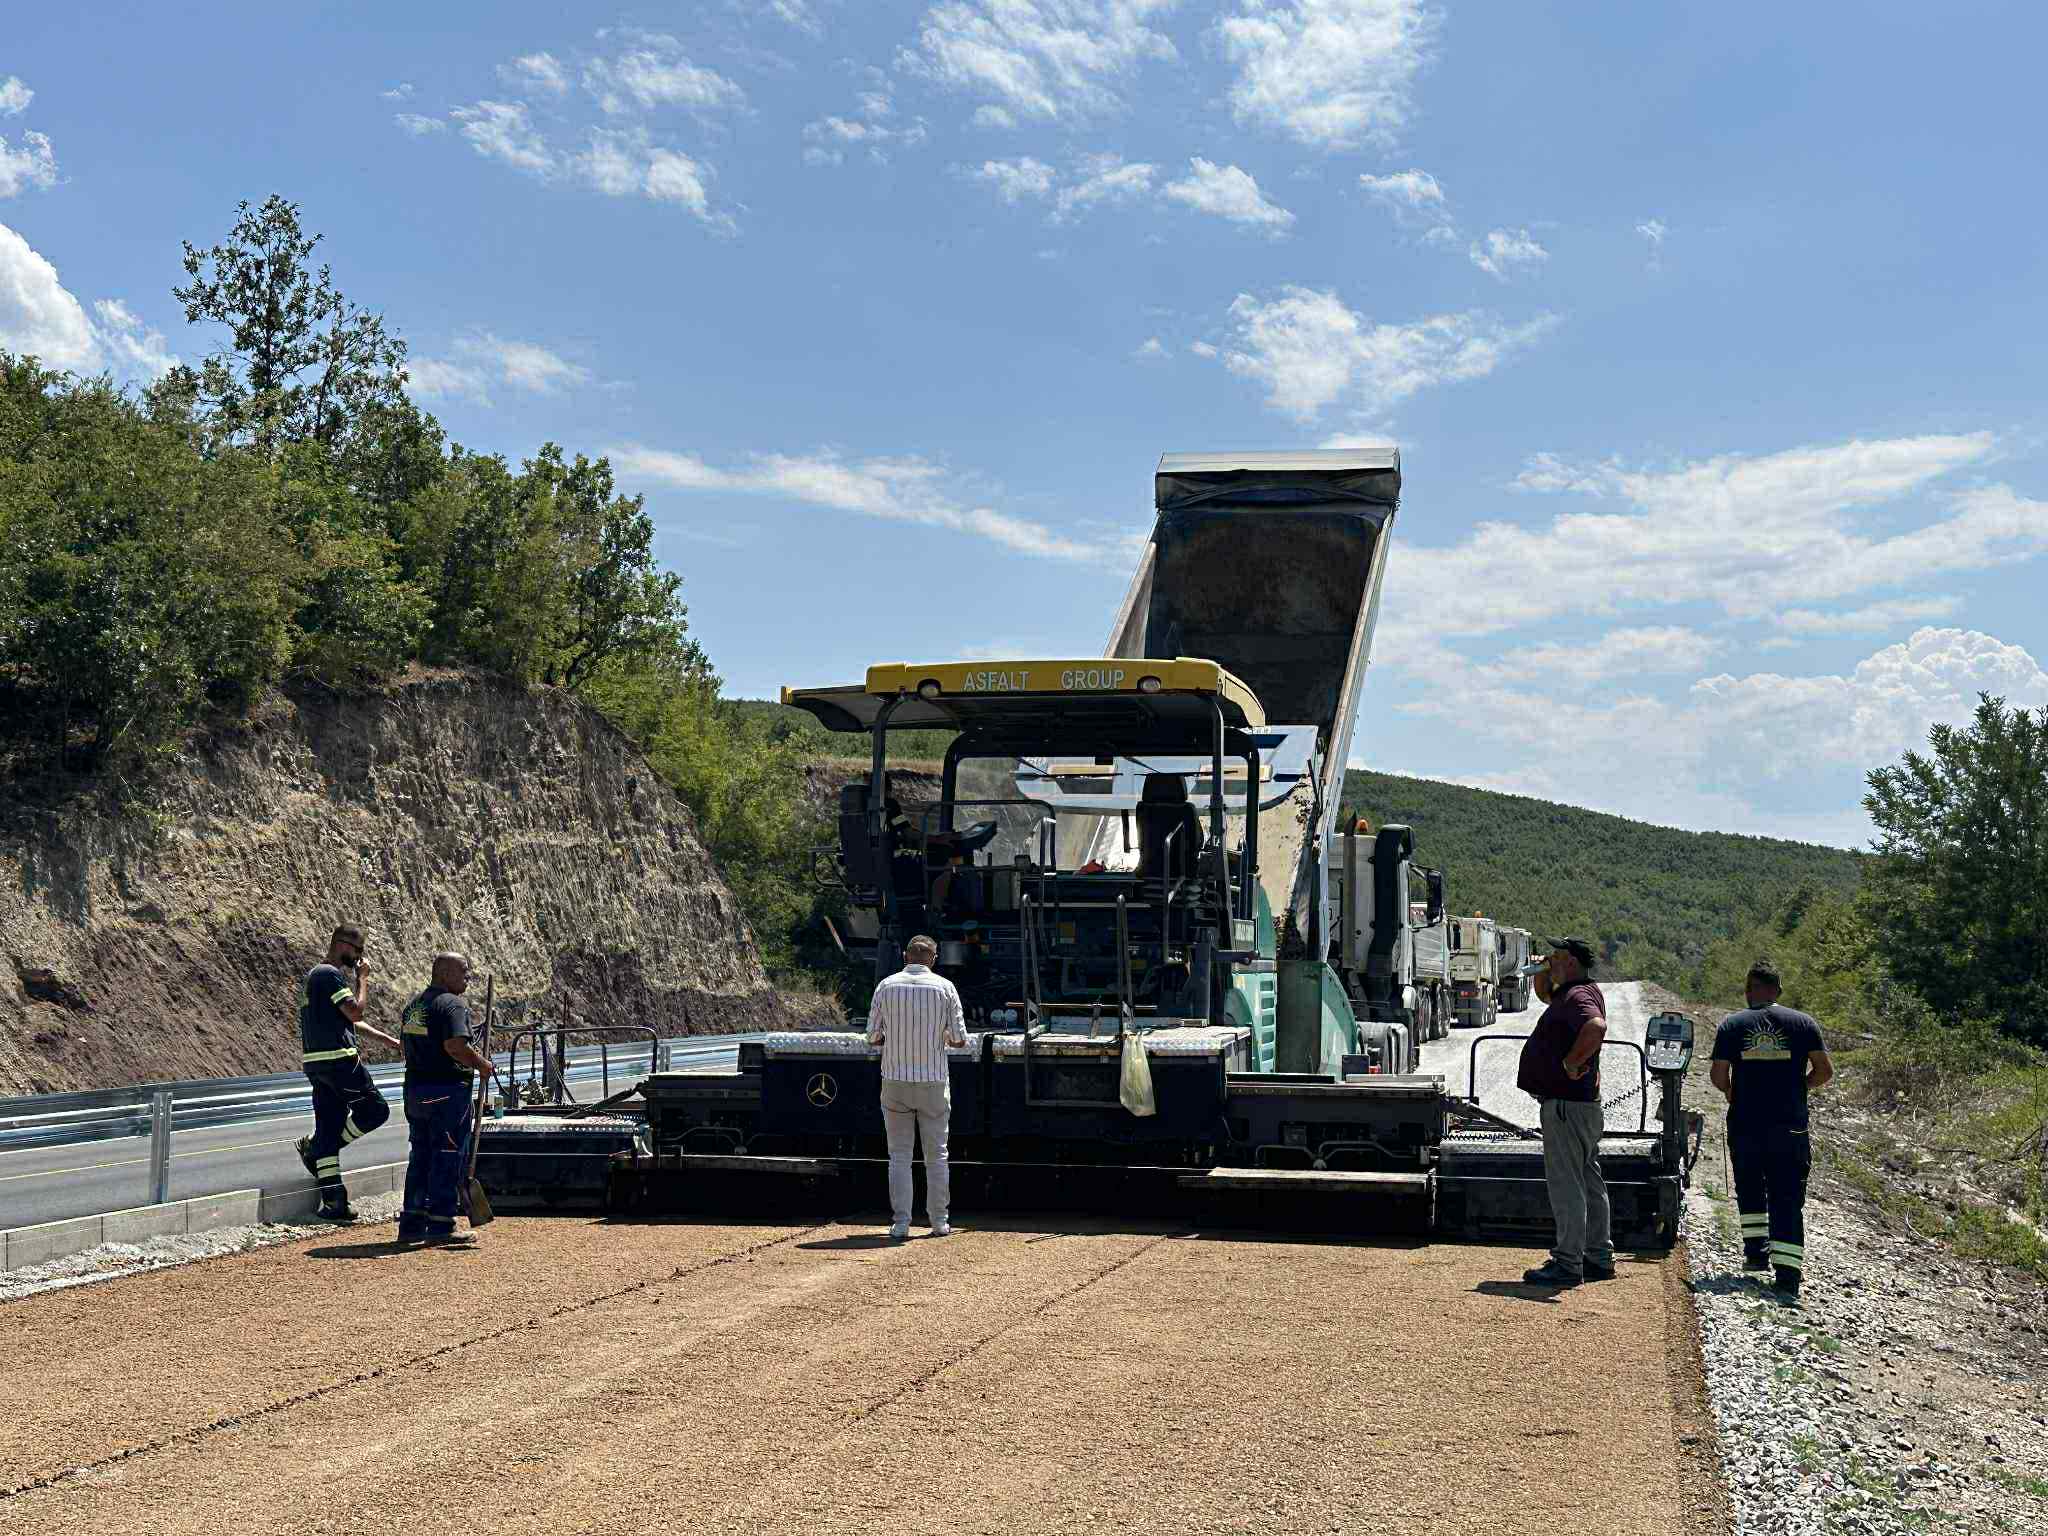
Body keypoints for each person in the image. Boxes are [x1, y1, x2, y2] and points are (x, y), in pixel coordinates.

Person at [1711, 961, 1833, 1299]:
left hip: (1746, 1123)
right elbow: (1824, 1070)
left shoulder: (1732, 1025)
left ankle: (1755, 1254)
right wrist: (1798, 1090)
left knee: (1750, 1186)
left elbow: (1719, 1076)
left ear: (1749, 990)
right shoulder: (1804, 1023)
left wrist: (1732, 1093)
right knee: (1787, 1196)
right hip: (1790, 1126)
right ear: (1778, 990)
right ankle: (1788, 1276)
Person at [1515, 936, 1614, 1288]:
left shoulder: (1579, 996)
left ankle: (1568, 1262)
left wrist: (1573, 1063)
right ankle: (1598, 1257)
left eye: (1556, 957)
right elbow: (1546, 996)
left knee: (1567, 1183)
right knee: (1588, 1179)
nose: (1551, 960)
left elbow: (1596, 1027)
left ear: (1571, 962)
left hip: (1566, 1107)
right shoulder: (1573, 992)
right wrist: (1541, 971)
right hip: (1578, 1105)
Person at [865, 934, 968, 1240]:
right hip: (933, 1082)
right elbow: (960, 1039)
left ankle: (900, 1223)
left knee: (899, 1155)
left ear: (905, 957)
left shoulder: (886, 986)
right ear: (933, 959)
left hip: (895, 1080)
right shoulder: (945, 988)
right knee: (936, 1154)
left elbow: (872, 1036)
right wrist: (942, 1037)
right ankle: (939, 1222)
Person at [295, 924, 399, 1222]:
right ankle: (317, 1149)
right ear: (341, 944)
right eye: (357, 951)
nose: (359, 957)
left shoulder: (314, 978)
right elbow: (356, 1011)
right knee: (376, 1111)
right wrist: (362, 980)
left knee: (328, 1127)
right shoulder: (330, 974)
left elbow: (346, 1021)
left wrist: (387, 1040)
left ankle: (334, 1202)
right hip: (340, 1061)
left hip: (317, 1065)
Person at [395, 952, 498, 1248]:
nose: (468, 977)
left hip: (415, 1091)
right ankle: (441, 1223)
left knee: (421, 1155)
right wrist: (482, 1065)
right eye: (463, 971)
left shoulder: (414, 1006)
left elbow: (407, 1045)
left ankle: (412, 1223)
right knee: (448, 1154)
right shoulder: (452, 1005)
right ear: (443, 973)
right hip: (446, 1092)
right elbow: (455, 1046)